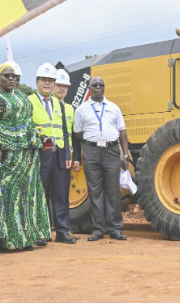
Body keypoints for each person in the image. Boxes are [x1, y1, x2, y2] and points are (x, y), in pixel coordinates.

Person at [0, 62, 52, 251]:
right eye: (7, 75)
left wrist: (41, 138)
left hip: (28, 154)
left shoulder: (22, 96)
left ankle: (25, 237)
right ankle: (6, 239)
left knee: (27, 194)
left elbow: (29, 122)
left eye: (14, 76)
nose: (12, 79)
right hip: (6, 153)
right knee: (5, 194)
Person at [73, 76, 131, 241]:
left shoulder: (114, 107)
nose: (98, 87)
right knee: (95, 191)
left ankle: (115, 229)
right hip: (91, 152)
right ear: (89, 88)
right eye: (95, 85)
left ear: (104, 88)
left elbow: (122, 131)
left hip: (112, 151)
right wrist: (90, 141)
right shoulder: (81, 109)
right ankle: (98, 230)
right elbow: (77, 132)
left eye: (101, 85)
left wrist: (125, 154)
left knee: (113, 191)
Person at [30, 63, 76, 244]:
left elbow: (64, 130)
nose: (47, 84)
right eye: (44, 80)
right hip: (41, 155)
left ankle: (63, 231)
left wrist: (67, 156)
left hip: (59, 155)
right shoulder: (30, 101)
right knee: (41, 195)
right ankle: (41, 232)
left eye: (51, 80)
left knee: (60, 195)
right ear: (37, 82)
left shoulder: (58, 103)